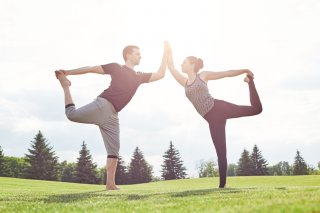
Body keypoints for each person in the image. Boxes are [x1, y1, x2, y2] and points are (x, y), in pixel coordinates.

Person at [55, 43, 168, 190]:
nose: (140, 56)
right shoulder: (116, 68)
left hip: (113, 115)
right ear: (128, 55)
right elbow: (92, 68)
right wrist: (68, 72)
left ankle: (110, 184)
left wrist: (166, 54)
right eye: (137, 53)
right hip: (103, 105)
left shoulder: (139, 77)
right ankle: (65, 86)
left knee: (114, 151)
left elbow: (160, 74)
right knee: (71, 115)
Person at [166, 42, 262, 188]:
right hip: (212, 120)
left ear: (192, 65)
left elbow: (225, 73)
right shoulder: (184, 82)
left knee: (256, 110)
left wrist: (244, 70)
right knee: (221, 152)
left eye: (184, 62)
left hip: (219, 108)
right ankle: (222, 186)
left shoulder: (203, 76)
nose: (181, 65)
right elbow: (171, 68)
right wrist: (168, 51)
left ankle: (250, 82)